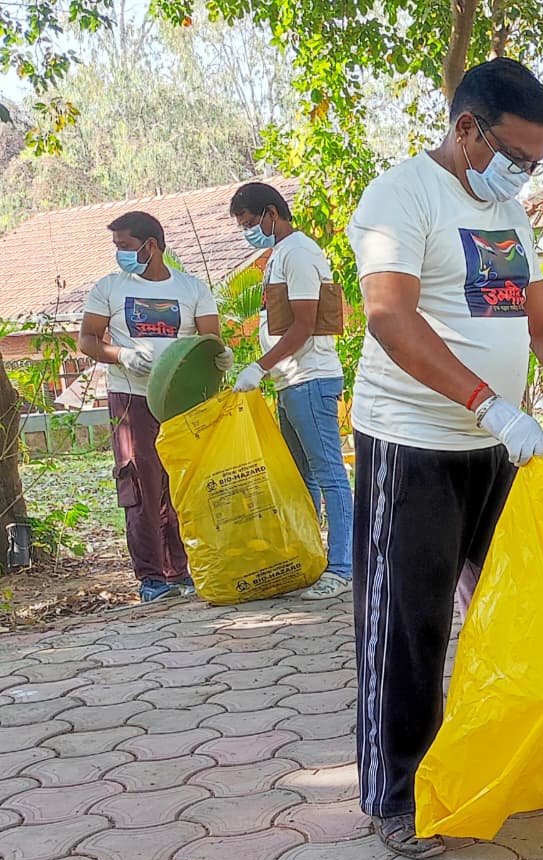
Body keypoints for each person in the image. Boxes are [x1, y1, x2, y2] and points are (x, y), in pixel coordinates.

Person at [346, 58, 543, 858]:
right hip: (415, 445)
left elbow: (541, 322)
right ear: (466, 128)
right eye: (517, 155)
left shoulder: (510, 212)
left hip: (501, 446)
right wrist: (487, 402)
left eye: (537, 162)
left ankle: (523, 753)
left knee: (525, 605)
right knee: (408, 625)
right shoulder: (400, 196)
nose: (525, 174)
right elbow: (388, 318)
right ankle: (397, 796)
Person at [78, 211, 231, 603]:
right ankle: (152, 578)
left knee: (181, 483)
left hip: (181, 399)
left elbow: (209, 339)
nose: (119, 254)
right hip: (131, 397)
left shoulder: (191, 288)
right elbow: (88, 341)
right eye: (116, 247)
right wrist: (121, 355)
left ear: (151, 245)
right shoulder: (109, 288)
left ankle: (183, 570)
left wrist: (220, 358)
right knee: (141, 484)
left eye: (125, 247)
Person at [228, 182, 354, 601]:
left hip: (310, 378)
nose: (248, 231)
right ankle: (312, 561)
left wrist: (259, 369)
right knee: (302, 479)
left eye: (249, 222)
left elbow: (303, 323)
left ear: (270, 213)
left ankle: (343, 567)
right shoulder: (278, 255)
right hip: (290, 381)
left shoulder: (298, 252)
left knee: (330, 476)